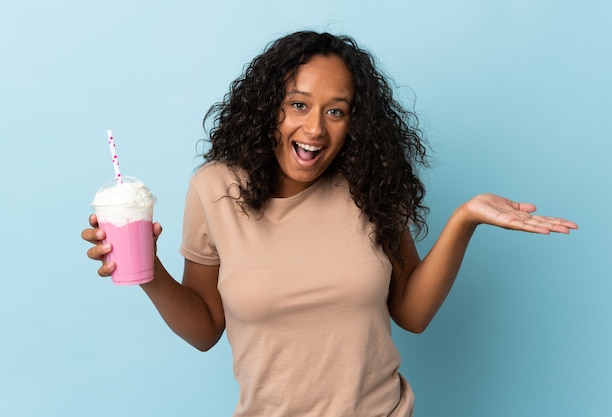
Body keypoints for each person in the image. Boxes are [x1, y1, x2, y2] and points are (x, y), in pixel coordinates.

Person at [82, 31, 577, 417]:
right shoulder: (214, 188)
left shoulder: (371, 185)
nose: (315, 128)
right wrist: (146, 272)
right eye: (298, 104)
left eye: (335, 111)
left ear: (354, 122)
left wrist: (465, 219)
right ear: (267, 108)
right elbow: (207, 327)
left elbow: (412, 313)